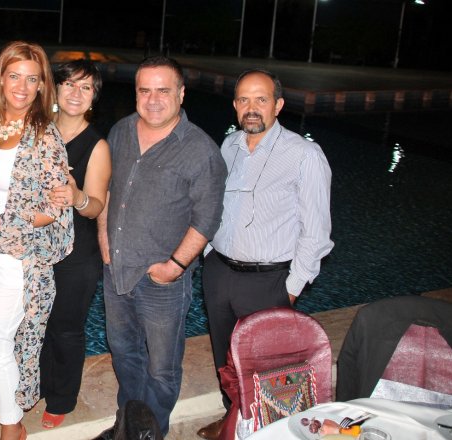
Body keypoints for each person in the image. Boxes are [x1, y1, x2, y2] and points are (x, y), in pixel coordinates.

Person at [196, 69, 333, 440]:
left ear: (278, 105)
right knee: (226, 359)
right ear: (235, 105)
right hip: (220, 273)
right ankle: (232, 421)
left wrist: (292, 287)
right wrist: (209, 254)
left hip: (269, 280)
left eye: (261, 99)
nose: (251, 108)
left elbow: (316, 231)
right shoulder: (229, 146)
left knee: (269, 367)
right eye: (244, 99)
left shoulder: (304, 155)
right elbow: (214, 204)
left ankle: (269, 430)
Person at [96, 56, 227, 438]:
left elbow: (207, 219)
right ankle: (129, 424)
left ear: (181, 94)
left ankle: (151, 432)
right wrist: (104, 241)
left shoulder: (200, 150)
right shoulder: (121, 131)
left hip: (162, 283)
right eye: (145, 90)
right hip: (116, 270)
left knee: (161, 368)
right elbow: (107, 189)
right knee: (124, 354)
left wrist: (175, 266)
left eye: (163, 90)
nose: (153, 99)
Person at [0, 41, 74, 440]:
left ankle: (12, 426)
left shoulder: (44, 136)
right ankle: (0, 394)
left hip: (17, 257)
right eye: (14, 76)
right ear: (0, 78)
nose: (22, 87)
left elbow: (54, 208)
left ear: (42, 86)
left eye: (32, 79)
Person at [39, 59, 111, 429]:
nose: (76, 93)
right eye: (69, 84)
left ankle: (61, 398)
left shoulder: (97, 145)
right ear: (56, 88)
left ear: (94, 97)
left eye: (85, 87)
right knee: (32, 323)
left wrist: (78, 196)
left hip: (76, 252)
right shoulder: (38, 131)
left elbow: (96, 205)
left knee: (65, 327)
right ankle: (33, 385)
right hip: (35, 246)